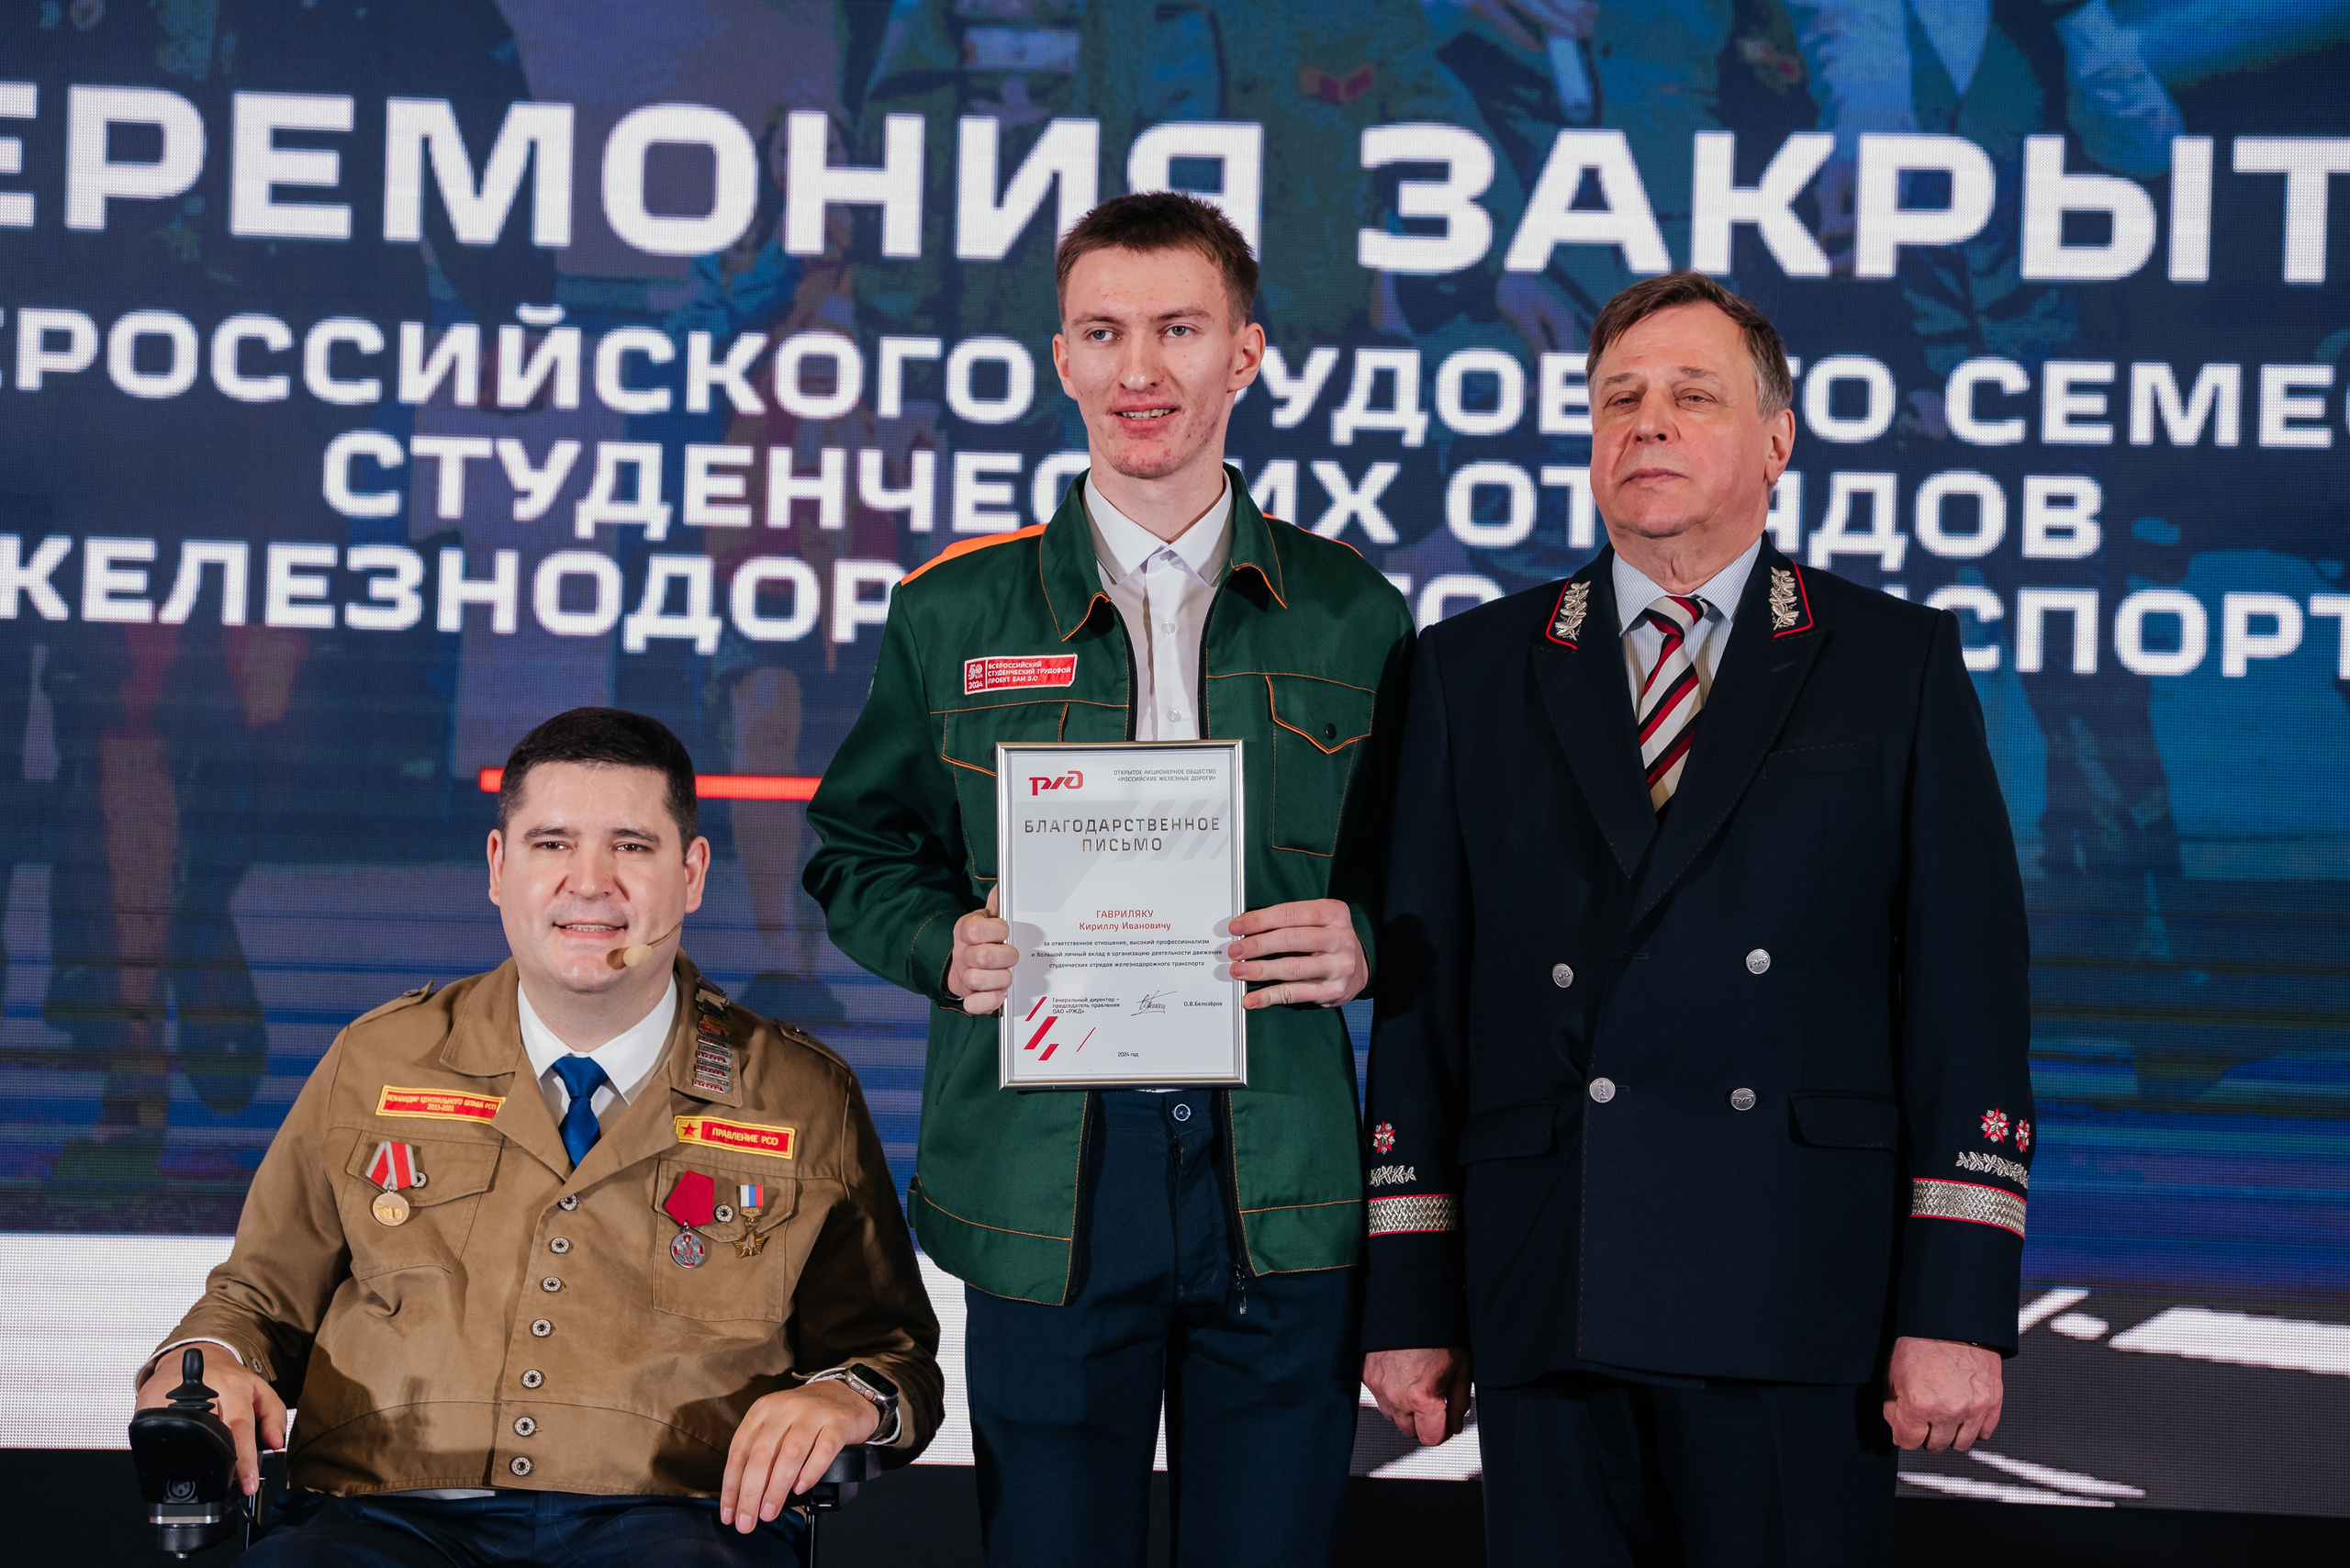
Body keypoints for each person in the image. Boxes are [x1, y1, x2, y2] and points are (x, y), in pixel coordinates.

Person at [1359, 273, 2033, 1566]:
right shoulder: (1469, 669)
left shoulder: (1895, 663)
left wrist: (1957, 1303)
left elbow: (1967, 996)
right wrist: (1409, 1297)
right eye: (1619, 397)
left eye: (1691, 395)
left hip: (1799, 1296)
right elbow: (1422, 1010)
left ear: (1778, 439)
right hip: (1553, 1281)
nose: (1647, 423)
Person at [803, 192, 1413, 1566]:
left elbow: (1433, 876)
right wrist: (938, 942)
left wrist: (1368, 938)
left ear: (1245, 354)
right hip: (1048, 1171)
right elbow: (856, 851)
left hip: (1280, 1162)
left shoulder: (1354, 614)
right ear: (1063, 358)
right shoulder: (951, 611)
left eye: (1179, 330)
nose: (1141, 370)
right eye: (1105, 333)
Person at [132, 708, 941, 1566]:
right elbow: (254, 1302)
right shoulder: (376, 1060)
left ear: (693, 872)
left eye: (632, 846)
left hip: (677, 1521)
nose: (589, 883)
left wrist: (850, 1399)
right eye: (551, 844)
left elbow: (890, 1355)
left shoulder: (801, 1094)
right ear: (497, 866)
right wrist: (206, 1362)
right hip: (377, 1517)